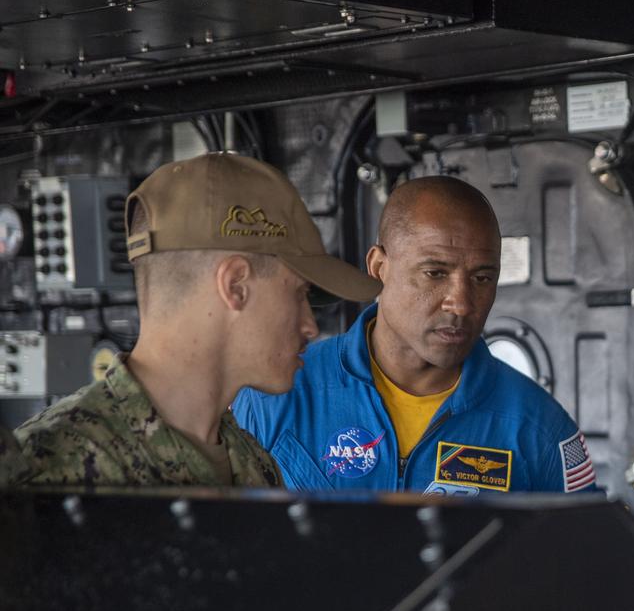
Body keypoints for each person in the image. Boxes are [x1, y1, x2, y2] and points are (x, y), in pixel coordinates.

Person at [16, 153, 381, 489]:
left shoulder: (254, 464)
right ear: (235, 285)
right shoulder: (46, 469)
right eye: (300, 294)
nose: (311, 326)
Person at [233, 176, 596, 496]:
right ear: (379, 267)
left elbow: (582, 567)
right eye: (435, 273)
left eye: (482, 279)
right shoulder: (275, 397)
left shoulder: (540, 429)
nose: (461, 304)